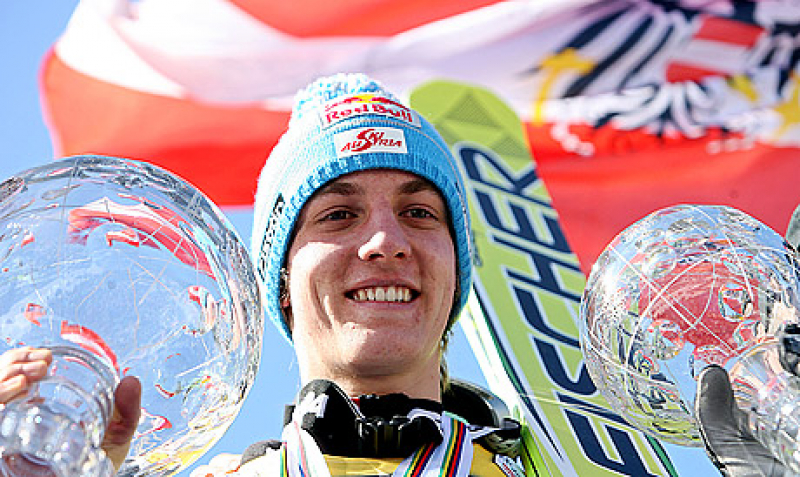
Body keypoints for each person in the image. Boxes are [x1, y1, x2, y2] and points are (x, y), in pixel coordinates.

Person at [0, 74, 526, 477]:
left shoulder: (565, 457)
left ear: (457, 271)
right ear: (280, 282)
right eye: (338, 215)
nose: (386, 241)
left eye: (419, 213)